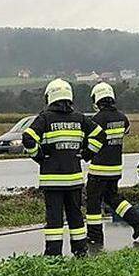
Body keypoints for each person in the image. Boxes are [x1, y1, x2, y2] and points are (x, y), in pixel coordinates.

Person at [23, 79, 102, 257]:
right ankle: (80, 251)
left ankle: (53, 255)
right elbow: (99, 135)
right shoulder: (80, 118)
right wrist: (87, 154)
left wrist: (39, 157)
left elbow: (28, 138)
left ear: (50, 96)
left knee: (54, 221)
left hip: (52, 181)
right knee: (76, 217)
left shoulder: (45, 118)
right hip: (74, 179)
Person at [85, 83, 139, 249]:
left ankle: (94, 237)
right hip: (115, 167)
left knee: (93, 202)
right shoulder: (122, 117)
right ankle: (136, 219)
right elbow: (125, 131)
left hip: (99, 169)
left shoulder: (96, 119)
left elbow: (91, 140)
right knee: (112, 198)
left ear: (97, 99)